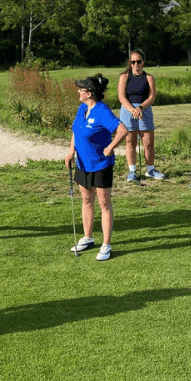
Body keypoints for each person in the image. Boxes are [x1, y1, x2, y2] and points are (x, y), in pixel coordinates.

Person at [64, 73, 128, 261]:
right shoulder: (81, 108)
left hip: (101, 165)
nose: (78, 91)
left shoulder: (102, 111)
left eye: (81, 89)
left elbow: (122, 130)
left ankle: (106, 244)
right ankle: (88, 237)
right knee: (86, 200)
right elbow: (76, 131)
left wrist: (110, 147)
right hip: (82, 164)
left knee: (104, 204)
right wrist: (70, 152)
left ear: (89, 93)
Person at [117, 49, 164, 182]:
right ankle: (132, 171)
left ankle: (150, 170)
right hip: (128, 110)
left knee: (148, 142)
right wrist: (133, 109)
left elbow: (152, 97)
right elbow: (121, 96)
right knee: (130, 141)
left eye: (138, 61)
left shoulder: (149, 77)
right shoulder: (124, 77)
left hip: (145, 109)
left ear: (143, 62)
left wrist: (140, 108)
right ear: (130, 63)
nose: (136, 64)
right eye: (133, 62)